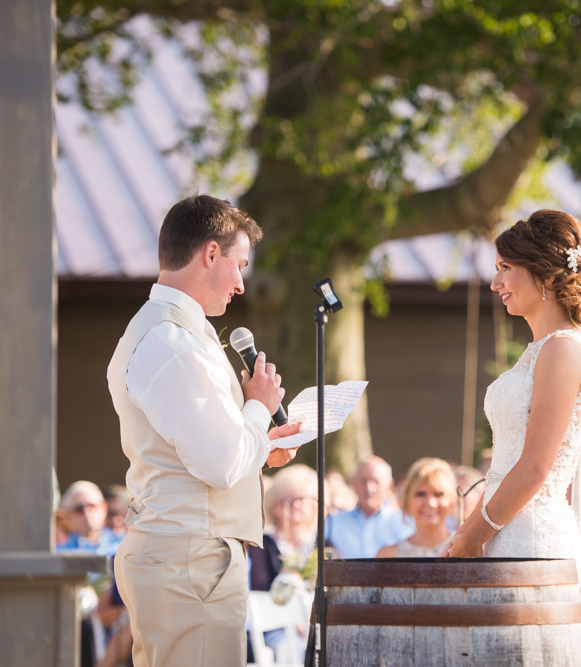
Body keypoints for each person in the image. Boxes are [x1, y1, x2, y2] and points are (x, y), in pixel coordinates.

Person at [107, 194, 302, 667]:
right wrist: (258, 408)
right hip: (189, 561)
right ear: (210, 254)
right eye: (239, 264)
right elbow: (218, 463)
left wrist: (260, 446)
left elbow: (213, 451)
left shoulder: (172, 333)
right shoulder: (173, 342)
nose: (240, 284)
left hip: (184, 558)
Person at [445, 209, 581, 627]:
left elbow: (536, 468)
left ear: (548, 277)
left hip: (532, 539)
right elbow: (506, 463)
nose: (494, 282)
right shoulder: (538, 351)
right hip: (503, 528)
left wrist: (472, 535)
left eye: (505, 268)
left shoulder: (563, 351)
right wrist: (467, 532)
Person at [249, 464, 327, 592]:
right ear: (273, 506)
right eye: (287, 499)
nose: (295, 505)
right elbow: (259, 588)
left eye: (302, 499)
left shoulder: (323, 545)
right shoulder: (261, 545)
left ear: (314, 507)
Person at [325, 456, 414, 558]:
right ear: (353, 483)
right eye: (363, 481)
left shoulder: (405, 522)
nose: (369, 488)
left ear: (389, 486)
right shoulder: (333, 522)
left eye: (375, 481)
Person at [378, 458, 457, 558]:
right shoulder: (387, 556)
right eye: (421, 494)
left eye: (438, 494)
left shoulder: (464, 549)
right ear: (407, 501)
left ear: (452, 500)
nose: (430, 503)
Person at [57, 481, 123, 556]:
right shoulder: (59, 553)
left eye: (92, 506)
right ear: (68, 515)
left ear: (104, 508)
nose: (87, 513)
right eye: (79, 509)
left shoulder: (124, 544)